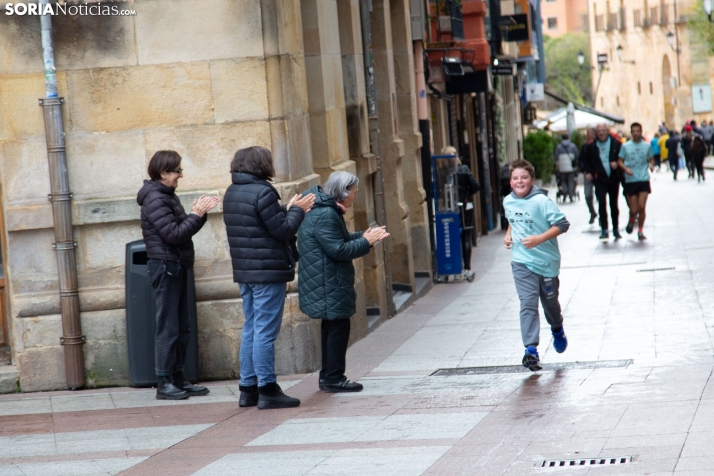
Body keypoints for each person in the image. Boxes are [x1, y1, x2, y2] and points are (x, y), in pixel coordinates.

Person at [223, 146, 315, 410]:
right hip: (267, 271)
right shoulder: (263, 192)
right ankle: (267, 388)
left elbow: (259, 222)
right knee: (264, 331)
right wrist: (297, 211)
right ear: (262, 165)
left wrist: (287, 207)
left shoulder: (233, 191)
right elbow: (282, 229)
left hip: (246, 271)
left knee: (251, 327)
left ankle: (247, 389)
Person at [137, 150, 220, 400]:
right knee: (169, 326)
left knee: (181, 325)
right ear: (163, 173)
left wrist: (198, 214)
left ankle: (178, 377)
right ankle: (164, 382)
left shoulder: (166, 195)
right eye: (177, 171)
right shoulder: (155, 198)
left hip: (176, 264)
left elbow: (183, 229)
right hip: (165, 266)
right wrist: (196, 215)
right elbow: (173, 234)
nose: (180, 175)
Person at [297, 172, 389, 392]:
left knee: (332, 327)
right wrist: (366, 242)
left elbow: (339, 239)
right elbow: (338, 250)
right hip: (329, 282)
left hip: (326, 280)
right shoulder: (326, 214)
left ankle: (328, 376)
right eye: (354, 192)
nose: (355, 197)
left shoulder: (324, 209)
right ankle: (333, 378)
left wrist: (363, 236)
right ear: (343, 191)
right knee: (337, 328)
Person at [503, 159, 570, 371]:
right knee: (528, 303)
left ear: (532, 180)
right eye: (515, 178)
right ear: (510, 182)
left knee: (550, 306)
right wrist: (508, 235)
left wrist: (538, 240)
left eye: (524, 177)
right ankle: (530, 350)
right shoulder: (508, 201)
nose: (519, 181)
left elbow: (563, 224)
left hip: (547, 263)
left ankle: (557, 329)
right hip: (521, 262)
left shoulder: (542, 201)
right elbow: (513, 220)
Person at [442, 146, 480, 279]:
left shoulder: (442, 172)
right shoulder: (463, 170)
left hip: (448, 210)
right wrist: (466, 196)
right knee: (466, 235)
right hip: (464, 208)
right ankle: (467, 267)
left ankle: (452, 266)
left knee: (451, 236)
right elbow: (476, 186)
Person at [584, 123, 622, 240]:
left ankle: (615, 228)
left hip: (613, 178)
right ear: (596, 133)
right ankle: (604, 229)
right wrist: (589, 172)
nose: (601, 133)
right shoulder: (591, 145)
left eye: (603, 130)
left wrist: (617, 164)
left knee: (613, 204)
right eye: (599, 131)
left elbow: (622, 159)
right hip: (599, 178)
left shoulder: (616, 144)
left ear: (607, 131)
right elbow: (586, 160)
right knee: (601, 203)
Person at [618, 123, 654, 241]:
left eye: (637, 131)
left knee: (642, 207)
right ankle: (631, 219)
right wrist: (625, 169)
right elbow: (620, 161)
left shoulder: (646, 146)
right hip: (631, 180)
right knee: (634, 209)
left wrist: (652, 165)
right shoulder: (625, 146)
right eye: (633, 131)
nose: (635, 133)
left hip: (643, 178)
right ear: (631, 132)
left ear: (641, 131)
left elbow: (651, 158)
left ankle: (640, 230)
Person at [578, 128, 598, 224]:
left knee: (600, 196)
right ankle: (592, 212)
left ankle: (602, 216)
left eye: (589, 133)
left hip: (598, 174)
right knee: (588, 195)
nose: (587, 135)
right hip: (588, 174)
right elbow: (581, 159)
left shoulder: (597, 145)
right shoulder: (585, 146)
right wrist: (585, 170)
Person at [554, 133, 578, 203]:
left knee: (563, 180)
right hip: (571, 168)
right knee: (571, 181)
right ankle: (571, 195)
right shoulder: (573, 146)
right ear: (568, 138)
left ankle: (564, 193)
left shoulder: (558, 147)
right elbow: (576, 156)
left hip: (562, 168)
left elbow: (556, 158)